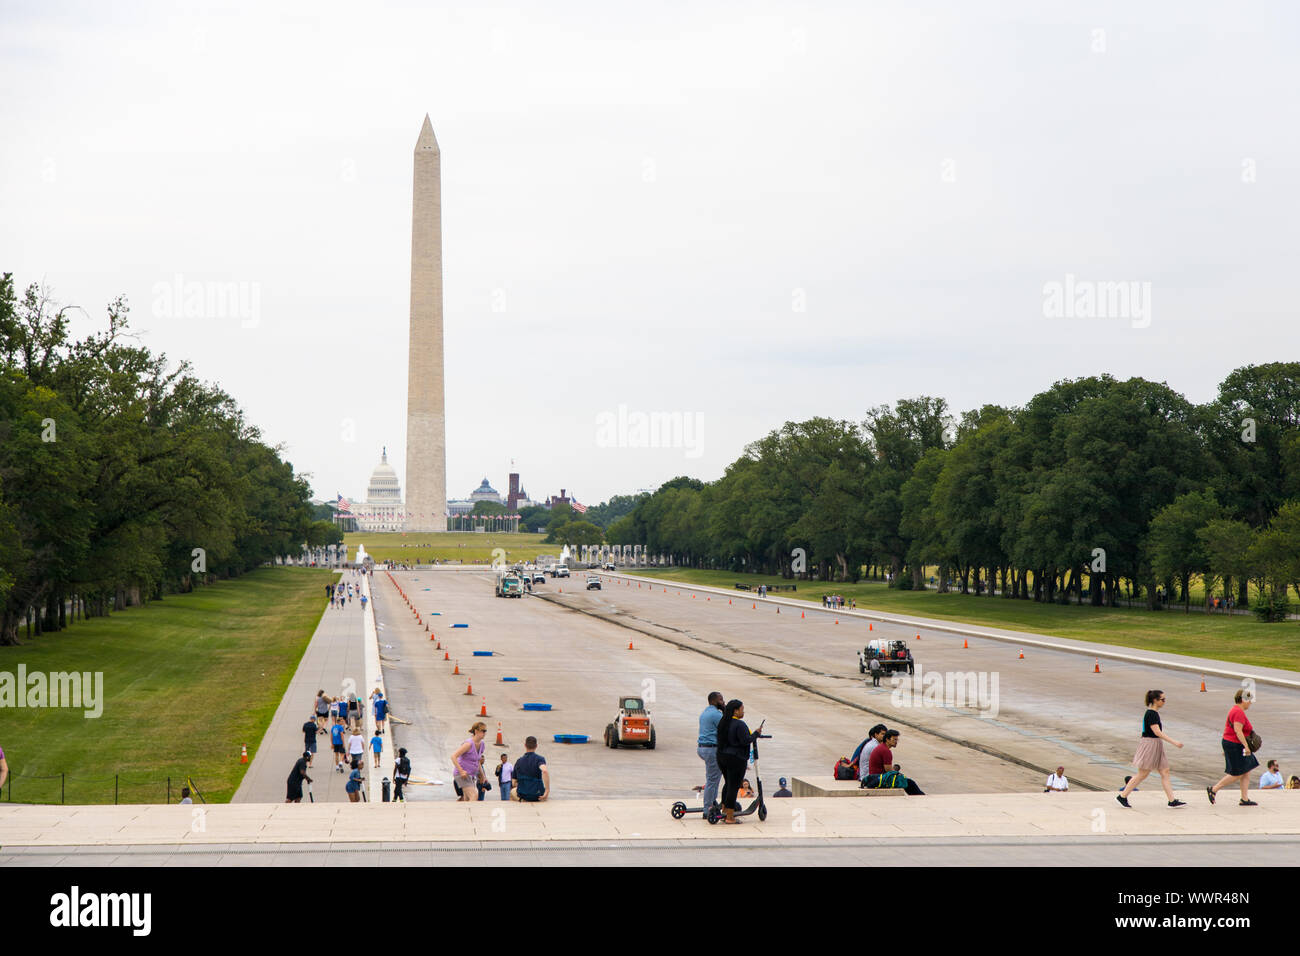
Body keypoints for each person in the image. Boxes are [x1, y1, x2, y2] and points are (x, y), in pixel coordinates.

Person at [1117, 690, 1186, 808]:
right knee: (1143, 773)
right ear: (1155, 700)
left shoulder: (1153, 713)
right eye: (1162, 700)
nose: (1164, 702)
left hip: (1155, 744)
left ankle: (1172, 800)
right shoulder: (1151, 714)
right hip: (1150, 744)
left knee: (1165, 771)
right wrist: (1174, 742)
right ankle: (1122, 796)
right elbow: (1157, 732)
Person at [1208, 688, 1260, 806]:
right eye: (1249, 700)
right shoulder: (1238, 712)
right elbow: (1238, 730)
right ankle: (1214, 790)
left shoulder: (1235, 710)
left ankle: (1244, 799)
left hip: (1232, 743)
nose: (1250, 703)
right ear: (1243, 700)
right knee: (1237, 773)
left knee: (1246, 770)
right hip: (1236, 745)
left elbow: (1229, 730)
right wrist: (1246, 746)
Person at [716, 699, 764, 824]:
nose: (743, 712)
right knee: (734, 786)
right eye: (742, 709)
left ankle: (725, 810)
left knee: (728, 783)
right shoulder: (740, 724)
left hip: (722, 757)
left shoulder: (723, 722)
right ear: (736, 711)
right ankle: (730, 817)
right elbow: (745, 740)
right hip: (736, 759)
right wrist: (756, 733)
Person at [867, 730, 925, 795]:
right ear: (887, 739)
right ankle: (922, 797)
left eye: (897, 740)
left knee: (907, 782)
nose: (896, 742)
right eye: (894, 739)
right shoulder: (886, 751)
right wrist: (899, 774)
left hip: (875, 778)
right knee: (910, 783)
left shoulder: (881, 747)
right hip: (880, 779)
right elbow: (889, 771)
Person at [697, 691, 725, 816]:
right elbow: (726, 728)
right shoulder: (716, 715)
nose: (723, 702)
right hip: (712, 749)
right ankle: (707, 809)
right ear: (714, 701)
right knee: (712, 780)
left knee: (715, 777)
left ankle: (712, 802)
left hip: (703, 748)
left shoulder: (705, 712)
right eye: (721, 700)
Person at [451, 722, 488, 802]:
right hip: (462, 775)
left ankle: (459, 812)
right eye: (483, 731)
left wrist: (482, 775)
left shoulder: (482, 744)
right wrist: (461, 771)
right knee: (474, 795)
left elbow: (477, 761)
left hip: (471, 776)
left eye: (485, 731)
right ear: (476, 731)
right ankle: (472, 814)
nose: (484, 733)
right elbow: (453, 756)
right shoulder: (468, 744)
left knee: (466, 799)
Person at [512, 736, 549, 802]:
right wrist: (547, 790)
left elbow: (513, 782)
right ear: (536, 746)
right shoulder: (540, 759)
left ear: (525, 745)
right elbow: (545, 771)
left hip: (523, 794)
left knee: (512, 792)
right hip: (537, 794)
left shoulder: (519, 761)